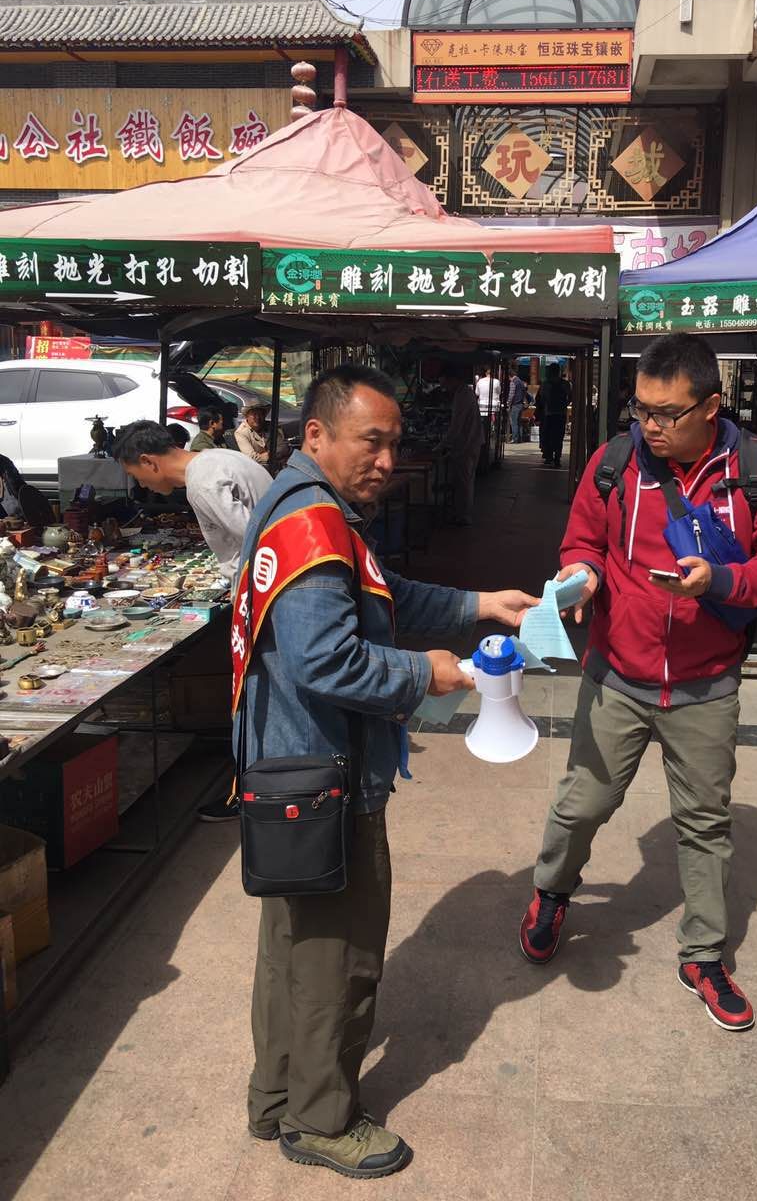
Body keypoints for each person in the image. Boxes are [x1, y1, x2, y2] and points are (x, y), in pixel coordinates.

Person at [235, 364, 537, 1177]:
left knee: (293, 947)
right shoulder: (313, 523)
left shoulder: (302, 506)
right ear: (317, 434)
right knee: (339, 961)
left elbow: (381, 593)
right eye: (371, 442)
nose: (387, 461)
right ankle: (321, 1121)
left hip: (286, 771)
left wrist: (479, 605)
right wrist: (422, 673)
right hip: (325, 777)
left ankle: (275, 1096)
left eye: (394, 444)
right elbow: (326, 660)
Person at [519, 333, 757, 1032]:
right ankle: (551, 893)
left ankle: (704, 955)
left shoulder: (754, 468)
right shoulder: (615, 464)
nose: (649, 426)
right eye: (641, 410)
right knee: (583, 803)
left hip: (706, 684)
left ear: (711, 406)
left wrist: (725, 581)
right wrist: (582, 574)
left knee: (705, 822)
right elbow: (582, 539)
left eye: (666, 413)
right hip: (618, 673)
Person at [113, 420, 273, 824]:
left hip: (262, 592)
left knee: (251, 696)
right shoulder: (219, 458)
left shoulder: (202, 483)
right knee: (259, 695)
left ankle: (249, 792)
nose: (144, 487)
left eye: (138, 477)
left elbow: (257, 537)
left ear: (149, 462)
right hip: (266, 587)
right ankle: (257, 785)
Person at [437, 364, 484, 526]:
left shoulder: (463, 395)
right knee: (464, 481)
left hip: (467, 444)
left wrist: (441, 445)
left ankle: (463, 516)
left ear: (452, 379)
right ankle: (461, 514)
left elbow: (456, 426)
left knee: (464, 482)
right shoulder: (463, 393)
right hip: (468, 442)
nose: (444, 387)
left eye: (444, 383)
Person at [234, 401, 290, 470]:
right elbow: (251, 458)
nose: (258, 417)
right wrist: (272, 454)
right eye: (254, 414)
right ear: (247, 416)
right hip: (256, 469)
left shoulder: (272, 426)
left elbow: (284, 447)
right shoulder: (241, 433)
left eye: (260, 414)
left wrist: (266, 455)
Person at [537, 364, 571, 468]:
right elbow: (570, 396)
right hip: (561, 414)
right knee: (559, 436)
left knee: (548, 435)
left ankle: (549, 456)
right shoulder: (565, 384)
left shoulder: (545, 384)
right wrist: (564, 404)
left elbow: (541, 398)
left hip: (549, 413)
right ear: (558, 371)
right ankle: (557, 457)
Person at [506, 363, 527, 443]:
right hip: (521, 404)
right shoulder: (521, 382)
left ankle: (515, 439)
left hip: (515, 404)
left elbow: (511, 394)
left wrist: (508, 403)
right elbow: (524, 392)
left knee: (514, 422)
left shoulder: (513, 382)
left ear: (509, 376)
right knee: (519, 422)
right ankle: (519, 438)